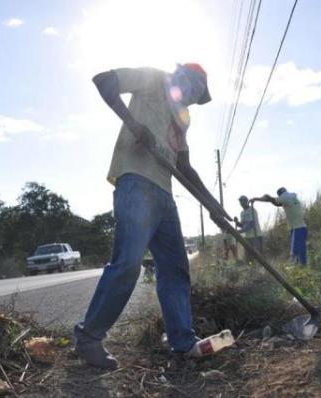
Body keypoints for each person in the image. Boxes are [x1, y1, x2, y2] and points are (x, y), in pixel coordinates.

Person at [73, 63, 230, 369]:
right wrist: (133, 124)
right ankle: (89, 336)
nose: (193, 97)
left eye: (198, 95)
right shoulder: (153, 79)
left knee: (175, 269)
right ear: (183, 76)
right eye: (194, 88)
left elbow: (184, 168)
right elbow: (104, 81)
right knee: (128, 264)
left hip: (164, 196)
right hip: (135, 182)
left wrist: (214, 206)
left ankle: (183, 343)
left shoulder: (183, 117)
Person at [251, 188, 308, 265]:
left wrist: (256, 199)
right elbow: (277, 204)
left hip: (297, 228)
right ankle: (303, 266)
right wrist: (271, 200)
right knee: (301, 249)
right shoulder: (292, 196)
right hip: (301, 227)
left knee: (296, 250)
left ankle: (298, 268)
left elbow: (270, 199)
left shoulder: (284, 197)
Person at [233, 195, 263, 263]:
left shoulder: (252, 210)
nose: (241, 203)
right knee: (248, 257)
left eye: (243, 201)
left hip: (256, 236)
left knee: (258, 256)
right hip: (248, 237)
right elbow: (243, 225)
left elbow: (251, 224)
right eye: (240, 202)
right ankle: (251, 271)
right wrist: (237, 222)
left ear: (246, 201)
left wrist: (240, 231)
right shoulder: (242, 213)